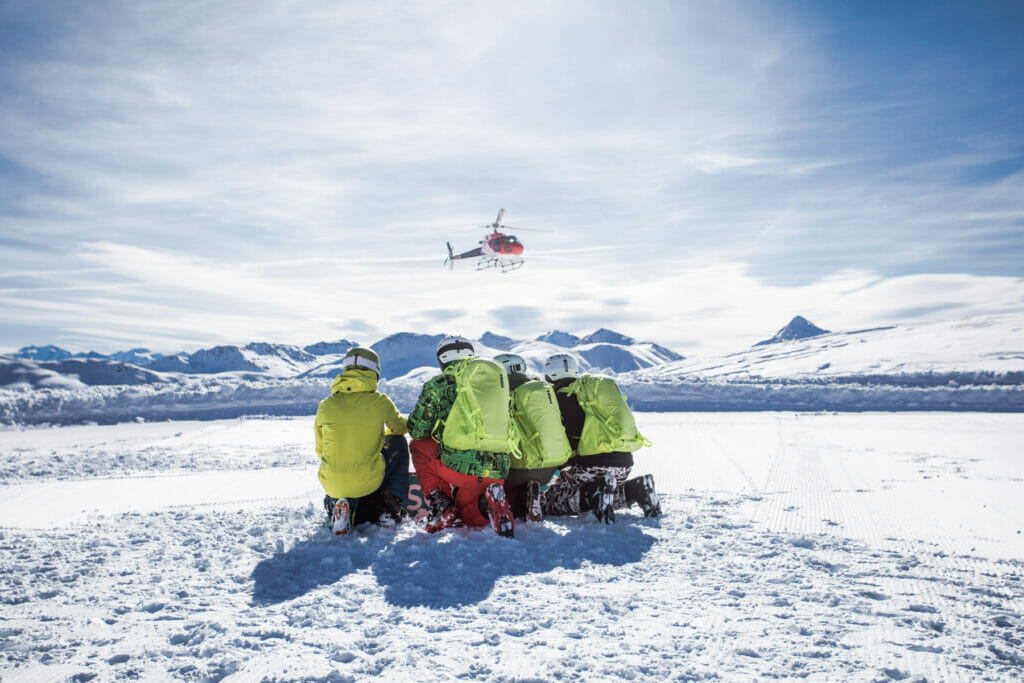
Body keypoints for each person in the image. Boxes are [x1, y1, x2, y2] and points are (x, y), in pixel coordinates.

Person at [407, 336, 515, 537]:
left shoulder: (438, 384)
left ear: (442, 360)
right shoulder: (492, 384)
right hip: (498, 468)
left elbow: (418, 430)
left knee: (417, 444)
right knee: (468, 514)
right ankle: (487, 503)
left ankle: (443, 506)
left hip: (460, 468)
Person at [540, 353, 661, 523]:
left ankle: (596, 491)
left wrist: (560, 465)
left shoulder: (560, 399)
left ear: (548, 375)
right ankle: (636, 488)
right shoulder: (587, 394)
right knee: (607, 493)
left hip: (592, 466)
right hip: (623, 464)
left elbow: (571, 440)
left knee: (551, 500)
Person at [315, 346, 410, 535]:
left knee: (344, 471)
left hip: (332, 483)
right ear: (375, 373)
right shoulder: (379, 401)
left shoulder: (325, 406)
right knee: (398, 442)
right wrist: (386, 435)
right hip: (368, 481)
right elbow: (401, 428)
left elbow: (321, 450)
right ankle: (392, 506)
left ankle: (339, 505)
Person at [493, 352, 570, 522]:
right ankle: (533, 493)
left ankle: (524, 497)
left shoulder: (501, 393)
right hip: (551, 467)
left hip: (520, 467)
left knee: (507, 497)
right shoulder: (541, 389)